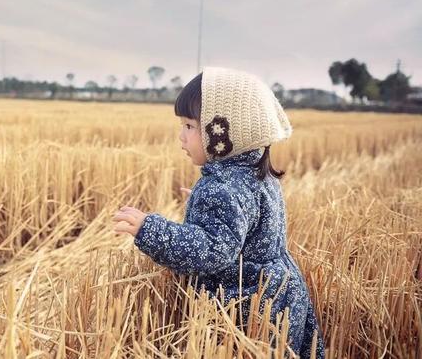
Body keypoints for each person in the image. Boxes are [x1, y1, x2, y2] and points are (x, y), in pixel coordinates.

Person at [112, 66, 325, 358]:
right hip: (280, 294)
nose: (181, 137)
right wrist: (205, 206)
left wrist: (151, 230)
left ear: (223, 133)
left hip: (250, 309)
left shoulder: (224, 189)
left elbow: (212, 251)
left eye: (189, 126)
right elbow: (245, 220)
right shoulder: (254, 174)